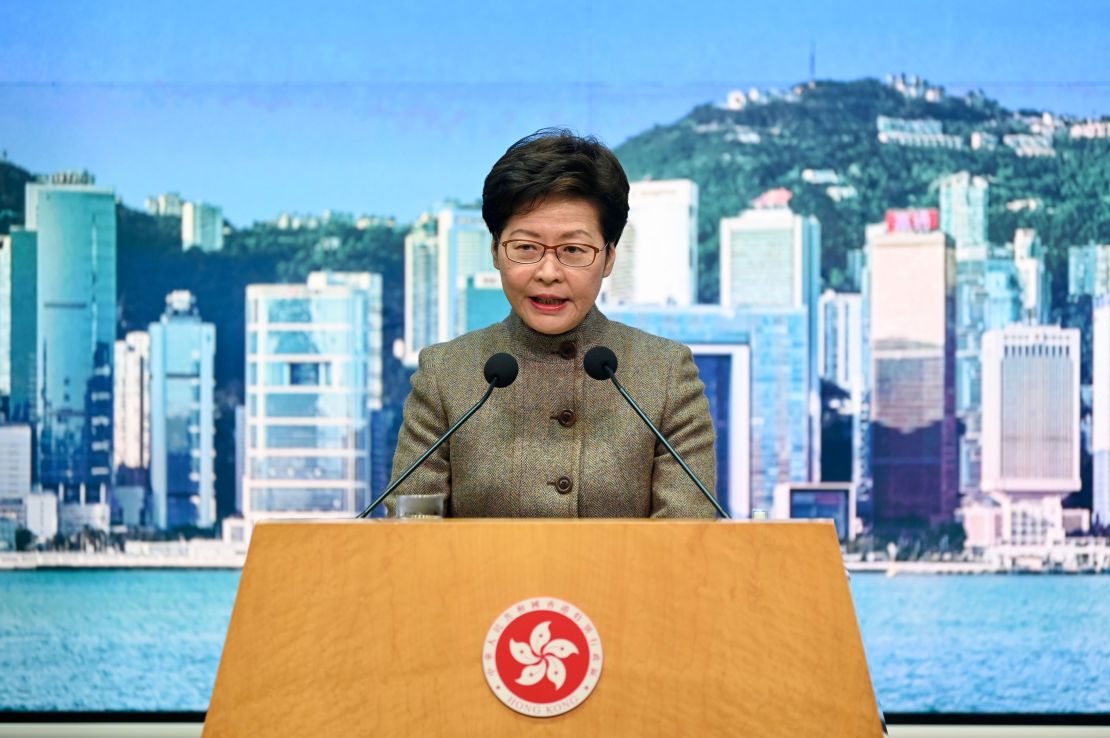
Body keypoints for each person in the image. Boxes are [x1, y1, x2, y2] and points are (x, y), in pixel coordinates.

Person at [388, 129, 717, 518]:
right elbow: (411, 534)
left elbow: (684, 539)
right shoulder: (446, 374)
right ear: (495, 250)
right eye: (526, 247)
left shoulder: (664, 375)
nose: (548, 272)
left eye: (573, 250)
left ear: (609, 257)